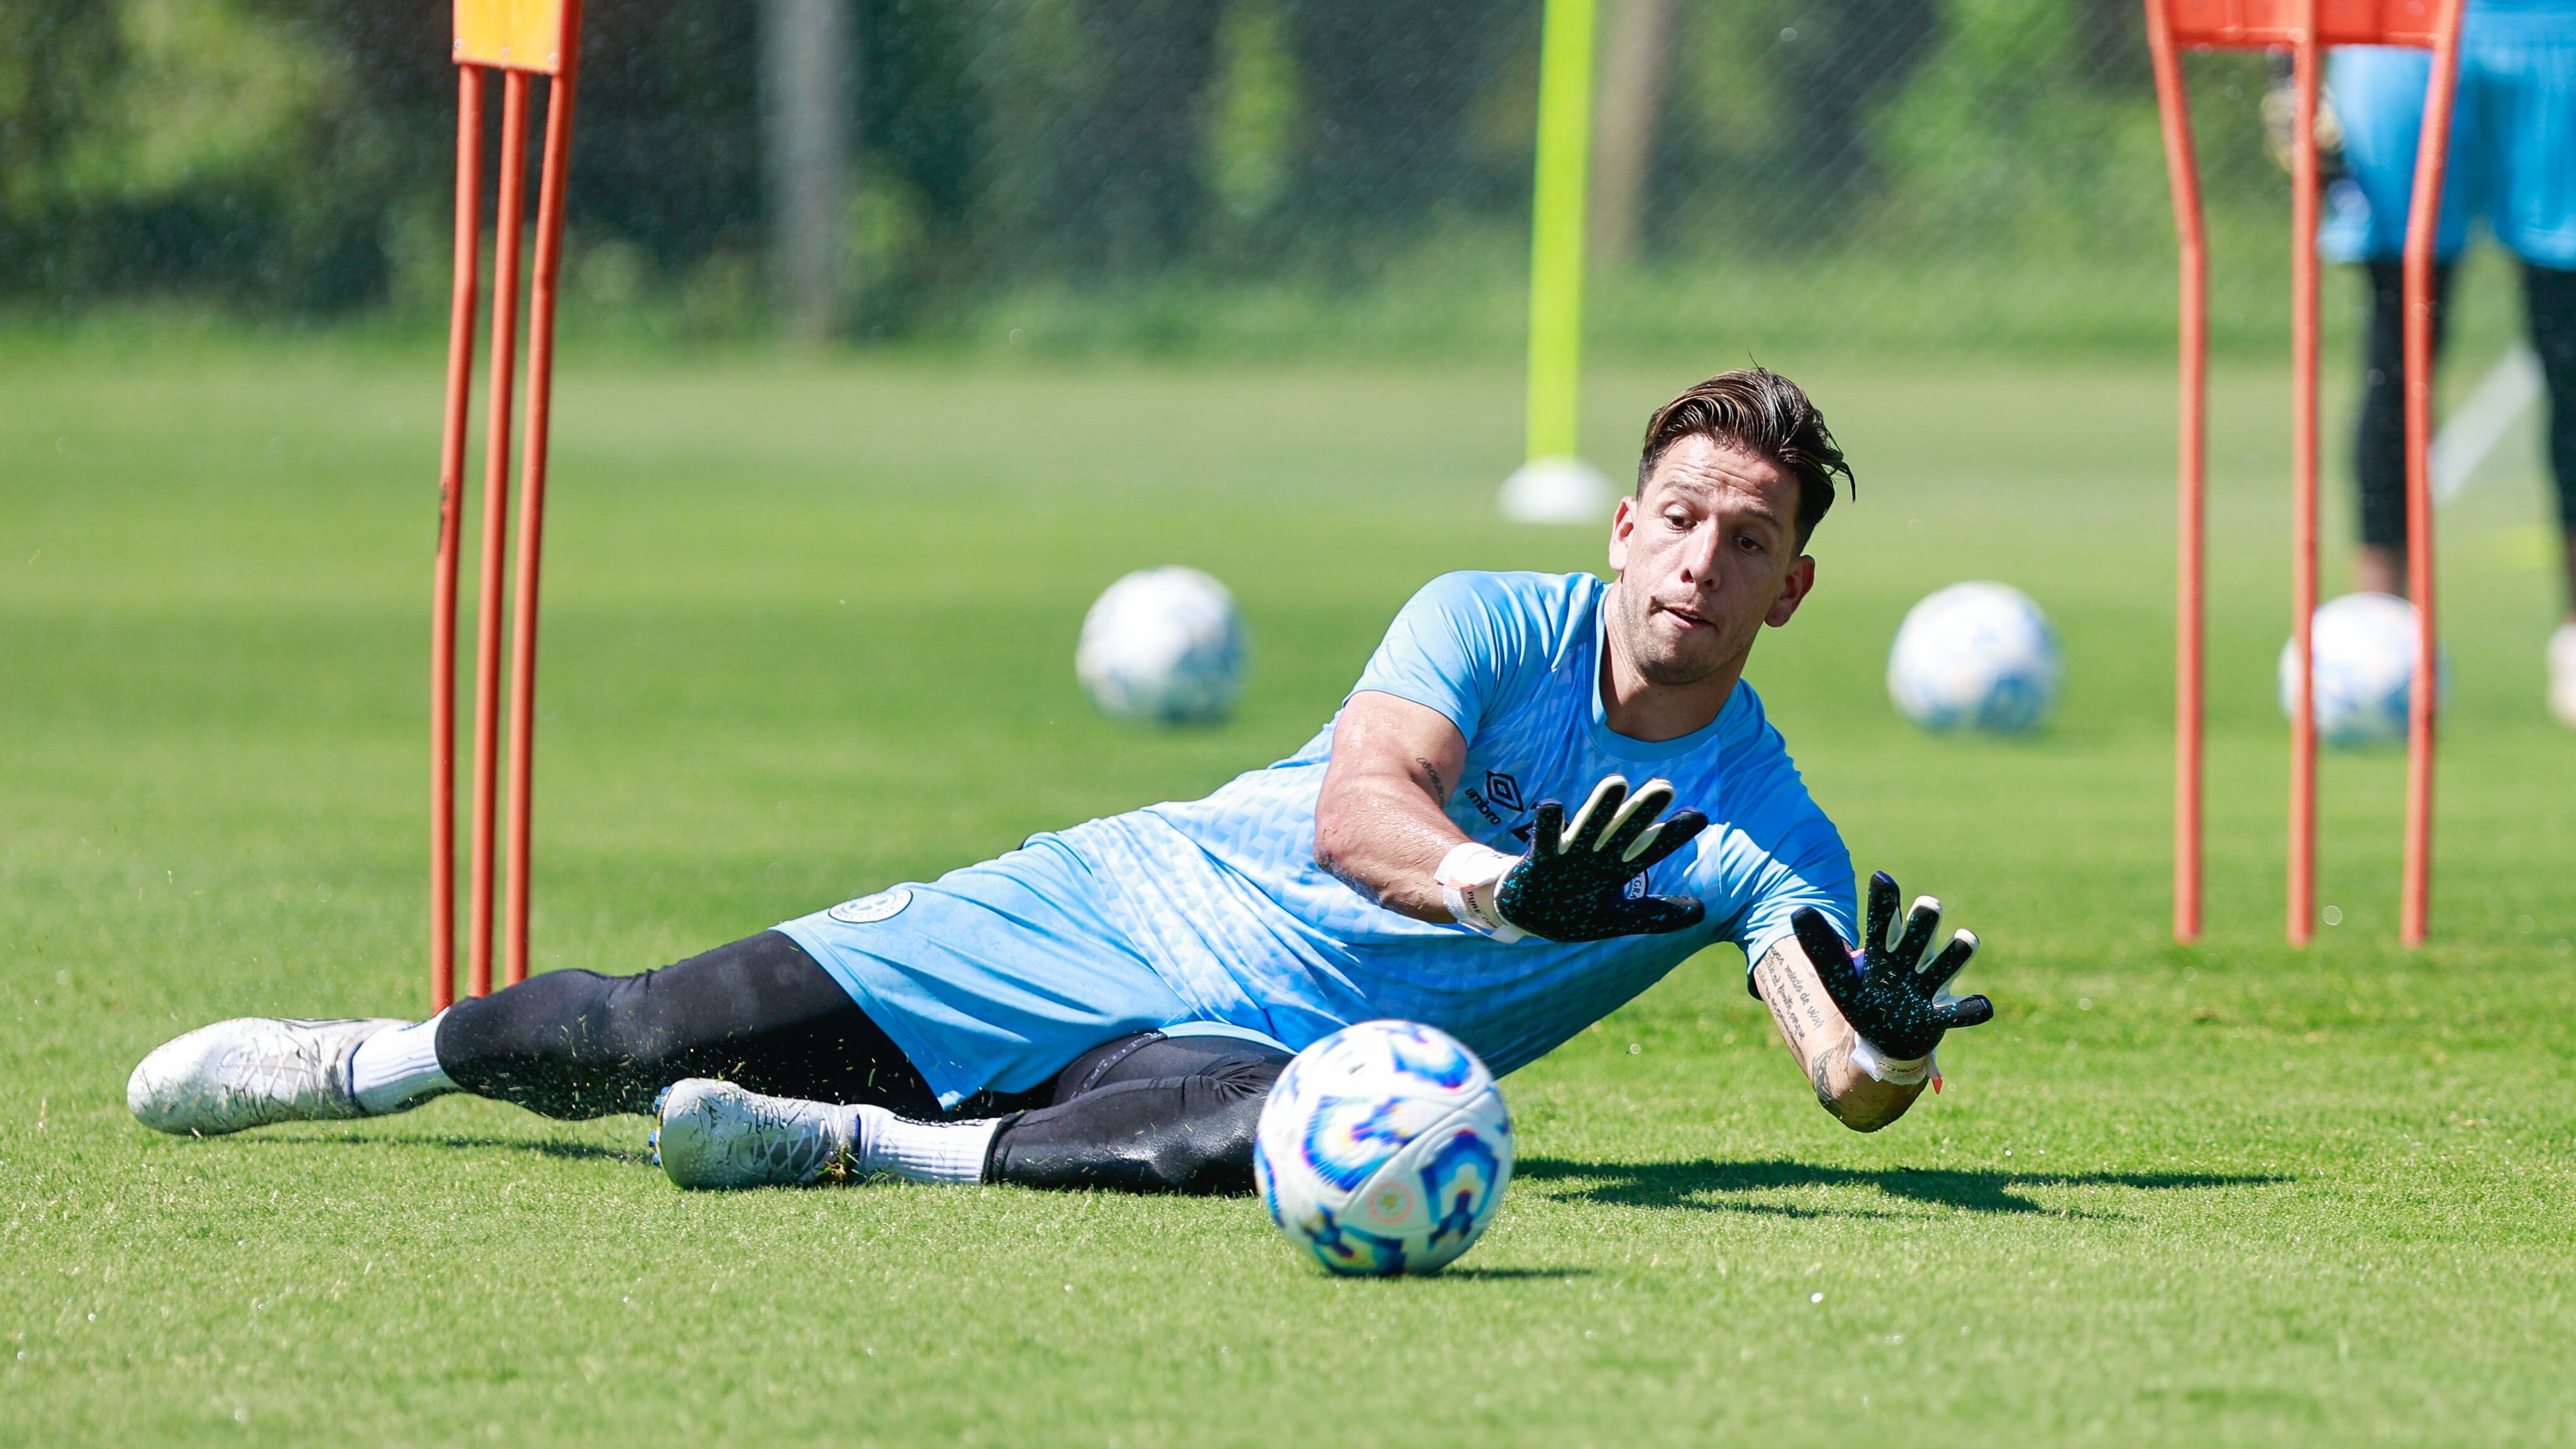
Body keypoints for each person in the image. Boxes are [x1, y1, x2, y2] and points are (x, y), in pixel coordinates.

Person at [128, 368, 1996, 1196]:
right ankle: (365, 1062)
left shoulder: (1766, 833)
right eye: (1677, 518)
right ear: (1621, 528)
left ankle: (855, 1152)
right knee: (645, 1027)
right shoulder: (1489, 618)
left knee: (1285, 1139)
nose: (1698, 562)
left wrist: (1891, 1050)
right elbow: (1362, 814)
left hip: (1255, 1054)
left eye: (1743, 542)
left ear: (1792, 589)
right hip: (1106, 906)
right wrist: (1510, 895)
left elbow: (1840, 1074)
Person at [2321, 0, 2576, 723]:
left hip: (2558, 32)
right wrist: (2292, 67)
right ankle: (2378, 637)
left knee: (2574, 359)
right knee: (2395, 353)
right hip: (2396, 29)